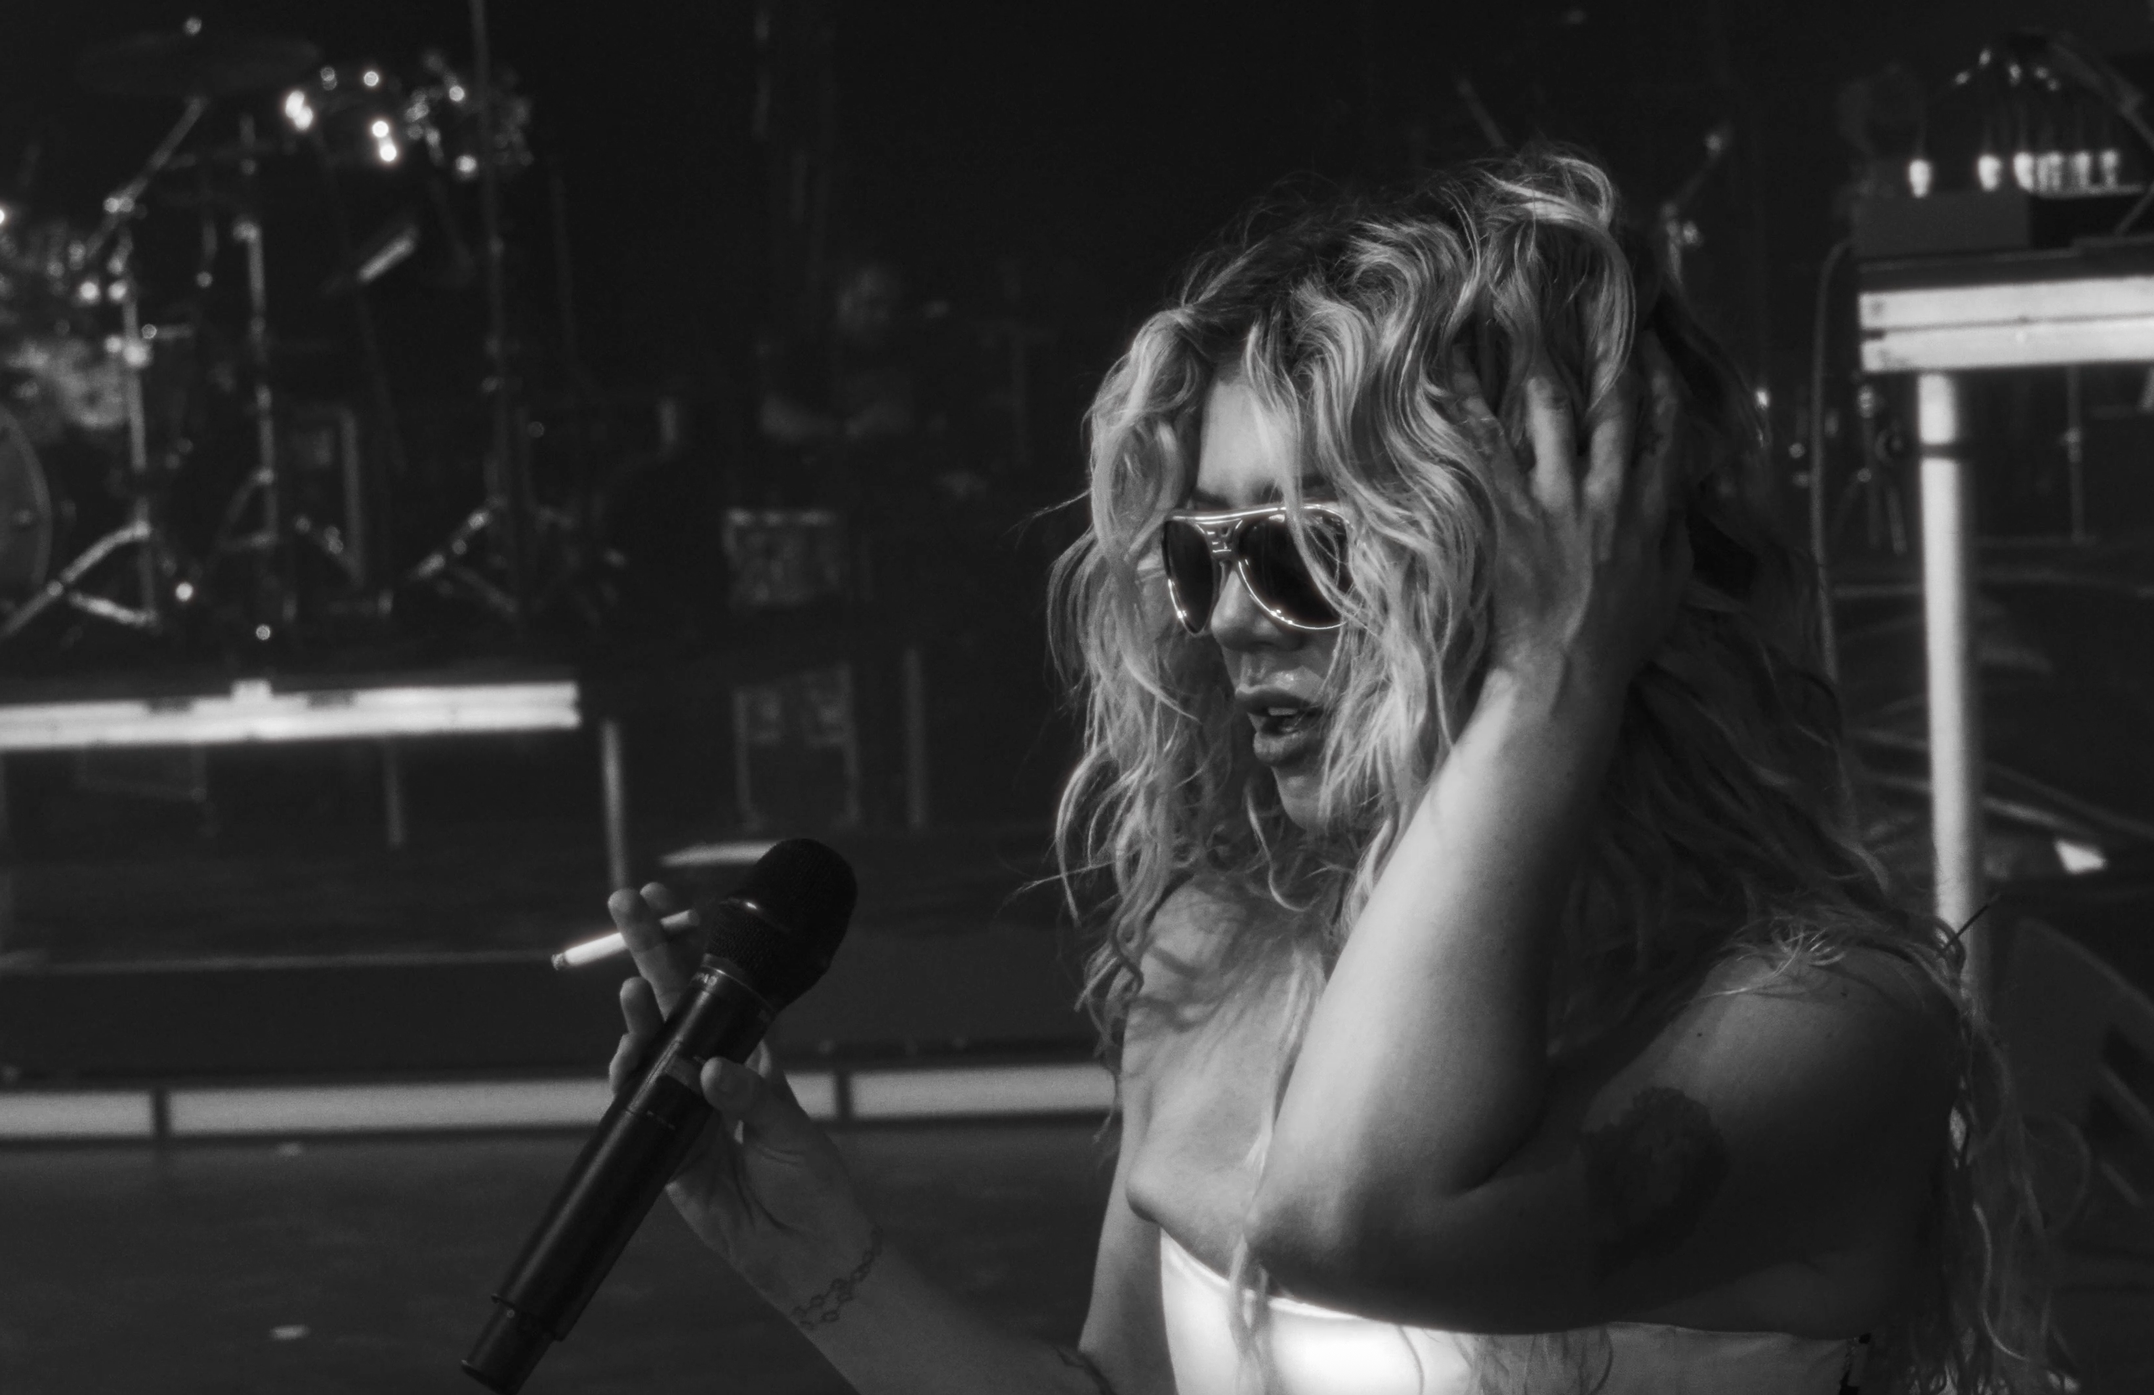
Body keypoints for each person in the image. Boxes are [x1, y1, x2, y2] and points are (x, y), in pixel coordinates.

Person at [606, 148, 2053, 1394]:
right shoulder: (1217, 948)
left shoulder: (1819, 1021)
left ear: (1560, 552)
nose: (1231, 619)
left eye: (1304, 547)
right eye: (1202, 551)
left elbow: (1352, 1220)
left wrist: (1549, 677)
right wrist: (815, 1259)